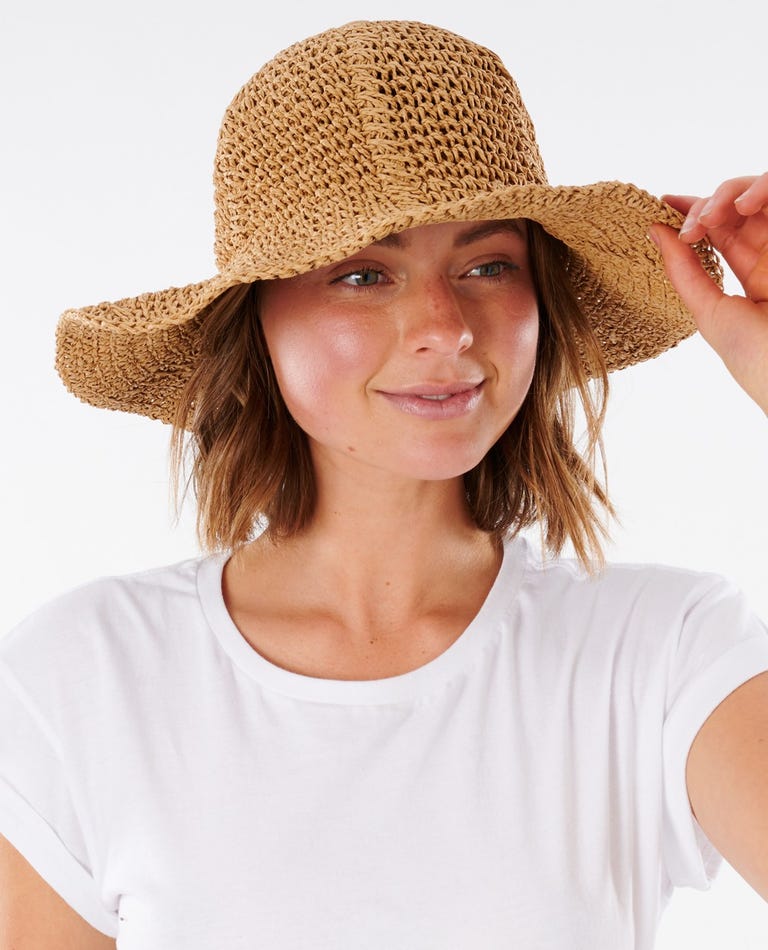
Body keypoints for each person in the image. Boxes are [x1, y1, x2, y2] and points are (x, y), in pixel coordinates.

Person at [0, 19, 766, 950]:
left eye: (488, 266)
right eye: (364, 274)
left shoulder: (663, 654)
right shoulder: (84, 675)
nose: (445, 326)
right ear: (257, 321)